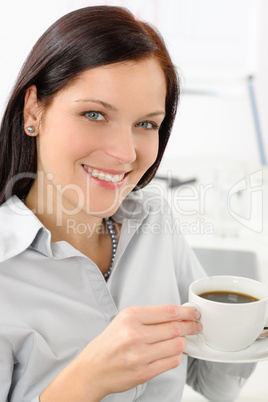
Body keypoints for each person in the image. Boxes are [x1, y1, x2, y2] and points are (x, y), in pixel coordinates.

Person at [0, 5, 255, 402]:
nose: (124, 153)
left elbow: (215, 381)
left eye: (146, 124)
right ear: (35, 109)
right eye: (94, 114)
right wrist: (85, 381)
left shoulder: (153, 219)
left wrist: (247, 324)